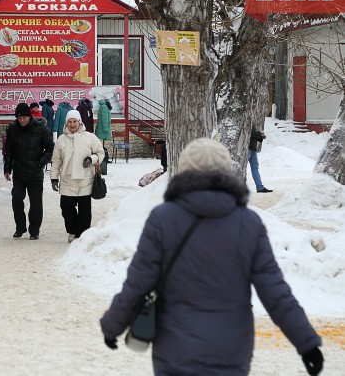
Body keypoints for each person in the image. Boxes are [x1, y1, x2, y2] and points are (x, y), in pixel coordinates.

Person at [100, 138, 323, 376]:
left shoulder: (163, 219)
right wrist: (306, 343)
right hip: (231, 348)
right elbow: (275, 291)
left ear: (185, 171)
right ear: (226, 173)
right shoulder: (248, 223)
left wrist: (113, 325)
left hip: (175, 347)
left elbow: (138, 282)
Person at [50, 110, 104, 243]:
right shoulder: (61, 140)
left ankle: (82, 235)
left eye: (75, 121)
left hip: (85, 179)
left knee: (85, 211)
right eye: (70, 121)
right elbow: (56, 161)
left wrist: (91, 159)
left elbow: (101, 153)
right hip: (67, 181)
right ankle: (72, 231)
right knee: (66, 209)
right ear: (66, 123)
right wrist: (54, 177)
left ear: (80, 122)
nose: (72, 124)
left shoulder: (90, 137)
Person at [4, 103, 54, 240]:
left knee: (36, 203)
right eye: (19, 118)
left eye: (24, 117)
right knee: (17, 199)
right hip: (19, 173)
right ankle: (20, 228)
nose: (22, 120)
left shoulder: (40, 129)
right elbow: (8, 151)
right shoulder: (13, 129)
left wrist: (40, 163)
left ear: (29, 116)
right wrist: (7, 169)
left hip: (35, 173)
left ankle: (34, 230)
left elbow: (50, 148)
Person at [250, 126, 272, 193]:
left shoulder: (252, 120)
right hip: (247, 148)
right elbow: (252, 132)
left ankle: (259, 187)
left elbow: (253, 134)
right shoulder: (247, 118)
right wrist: (260, 133)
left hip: (252, 148)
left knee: (255, 167)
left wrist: (261, 136)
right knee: (244, 168)